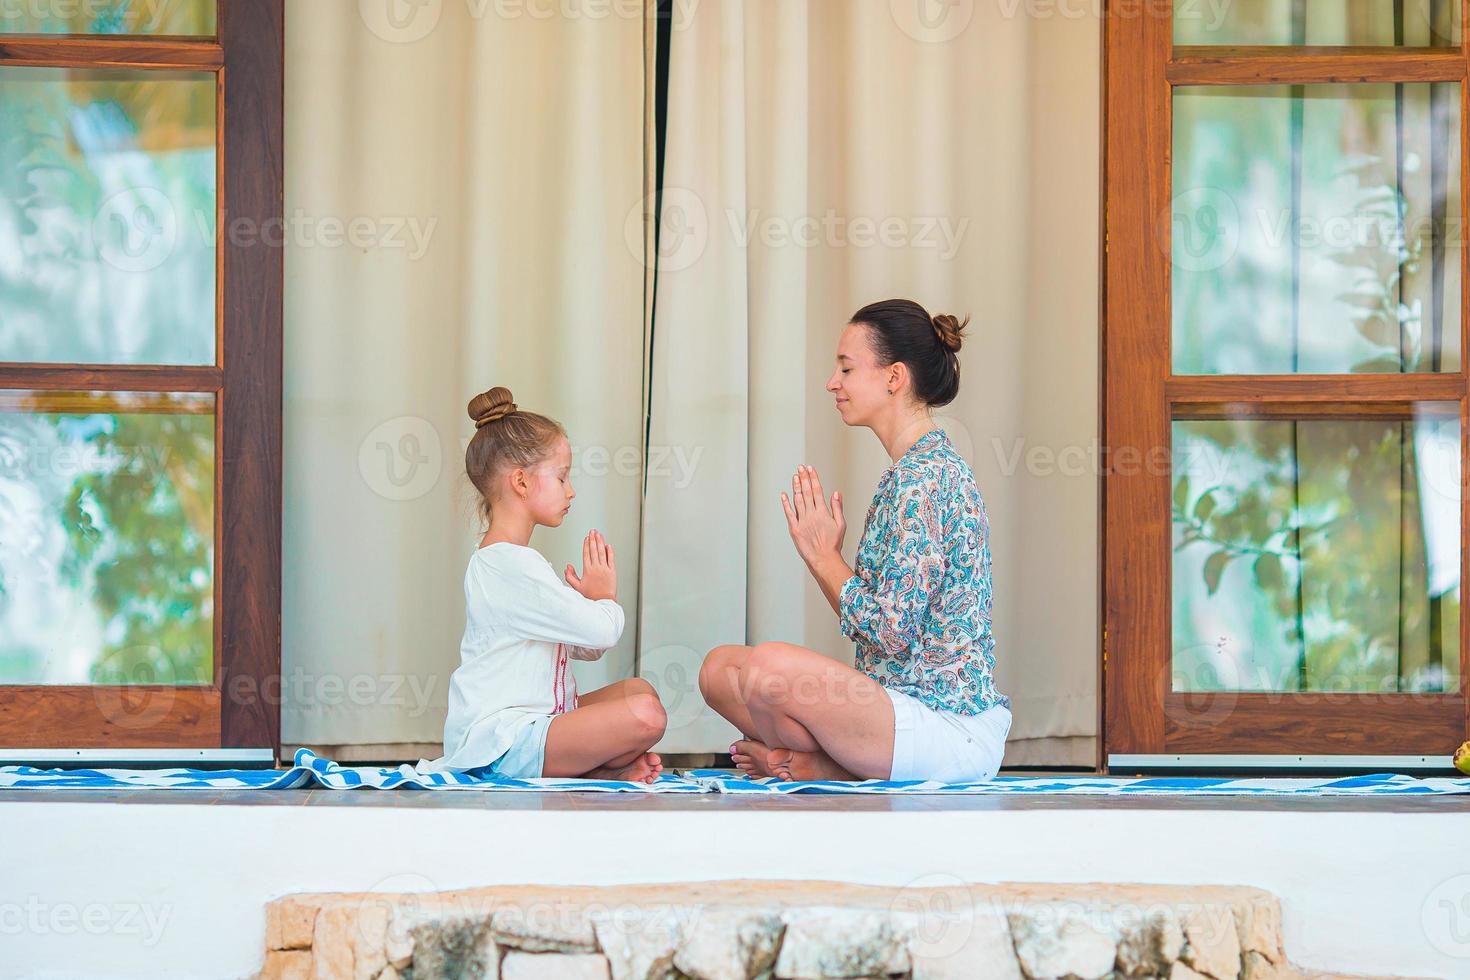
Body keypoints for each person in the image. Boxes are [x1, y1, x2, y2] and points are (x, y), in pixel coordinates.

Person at [699, 299, 1011, 783]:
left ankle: (820, 767)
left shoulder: (924, 478)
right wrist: (821, 559)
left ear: (894, 378)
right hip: (894, 711)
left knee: (767, 668)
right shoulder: (911, 471)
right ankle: (817, 763)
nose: (832, 382)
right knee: (720, 670)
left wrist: (825, 559)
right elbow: (876, 631)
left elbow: (890, 630)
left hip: (945, 729)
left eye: (846, 367)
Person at [420, 386, 667, 782]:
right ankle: (596, 771)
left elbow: (587, 647)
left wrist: (588, 604)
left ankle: (599, 768)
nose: (571, 490)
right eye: (562, 476)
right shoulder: (510, 566)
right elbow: (604, 628)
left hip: (537, 726)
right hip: (501, 745)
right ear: (521, 482)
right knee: (645, 715)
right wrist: (603, 599)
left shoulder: (511, 562)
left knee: (639, 692)